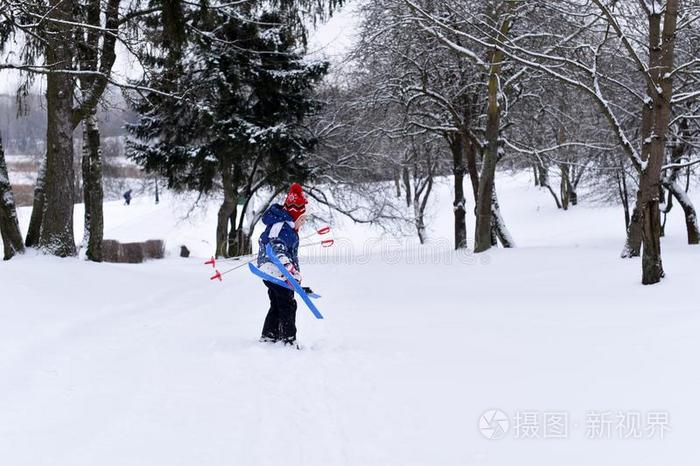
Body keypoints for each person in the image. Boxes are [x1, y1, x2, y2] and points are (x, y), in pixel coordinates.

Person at [256, 183, 308, 346]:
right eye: (302, 219)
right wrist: (290, 270)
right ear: (295, 215)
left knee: (278, 303)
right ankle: (289, 339)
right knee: (287, 304)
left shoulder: (287, 228)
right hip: (273, 270)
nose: (303, 223)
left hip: (274, 271)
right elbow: (277, 249)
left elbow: (289, 255)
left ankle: (270, 334)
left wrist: (295, 275)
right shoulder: (282, 228)